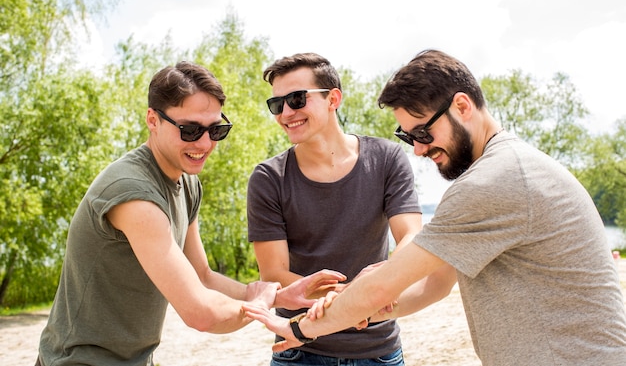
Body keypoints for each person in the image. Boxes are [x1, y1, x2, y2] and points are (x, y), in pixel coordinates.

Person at [244, 50, 626, 365]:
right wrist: (364, 310)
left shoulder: (495, 181)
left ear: (462, 106)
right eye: (408, 137)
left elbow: (388, 279)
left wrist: (299, 329)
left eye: (423, 133)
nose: (419, 149)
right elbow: (435, 284)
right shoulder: (504, 170)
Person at [36, 61, 346, 366]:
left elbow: (202, 276)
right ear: (152, 120)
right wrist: (259, 305)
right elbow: (200, 313)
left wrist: (277, 296)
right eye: (190, 130)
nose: (205, 143)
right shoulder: (133, 193)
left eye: (216, 130)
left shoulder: (187, 183)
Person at [246, 52, 456, 366]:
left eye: (297, 99)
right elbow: (275, 273)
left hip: (378, 349)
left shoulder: (387, 159)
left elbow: (410, 237)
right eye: (277, 104)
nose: (286, 113)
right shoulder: (268, 178)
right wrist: (352, 298)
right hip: (302, 351)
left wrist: (359, 297)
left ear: (334, 99)